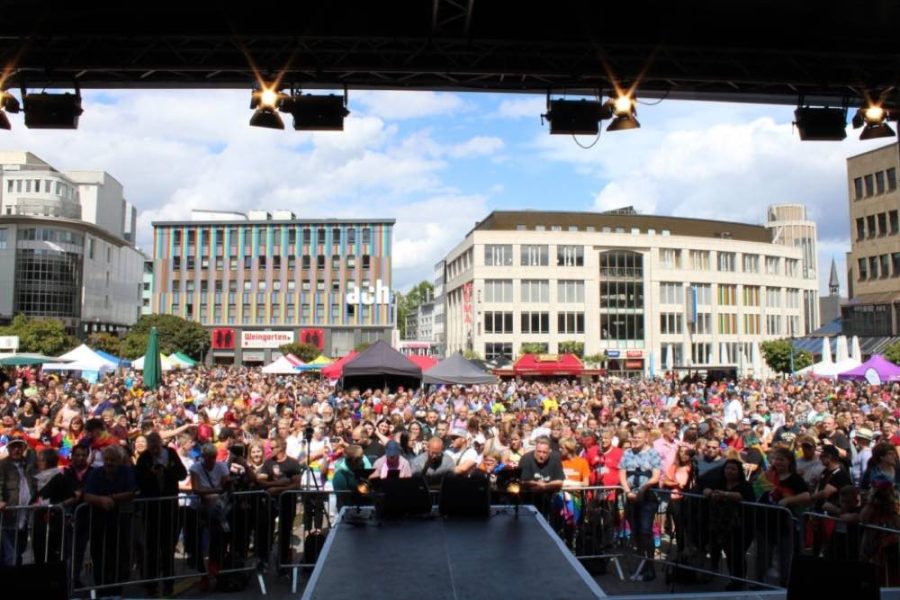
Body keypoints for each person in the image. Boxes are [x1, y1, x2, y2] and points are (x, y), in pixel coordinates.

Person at [135, 431, 187, 596]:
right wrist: (151, 473)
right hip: (151, 509)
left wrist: (167, 470)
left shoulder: (170, 453)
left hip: (169, 507)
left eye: (156, 447)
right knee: (151, 548)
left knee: (167, 548)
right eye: (151, 448)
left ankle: (168, 584)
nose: (154, 450)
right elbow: (138, 480)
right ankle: (151, 585)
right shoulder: (144, 458)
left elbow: (182, 473)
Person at [83, 445, 138, 595]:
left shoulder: (126, 472)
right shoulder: (96, 473)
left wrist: (112, 498)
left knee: (119, 555)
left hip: (120, 520)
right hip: (99, 519)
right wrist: (101, 500)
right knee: (99, 555)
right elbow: (87, 495)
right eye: (107, 460)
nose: (109, 463)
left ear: (119, 461)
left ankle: (116, 589)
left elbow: (131, 492)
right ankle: (101, 588)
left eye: (113, 460)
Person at [703, 458, 754, 590]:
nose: (729, 471)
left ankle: (739, 580)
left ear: (739, 471)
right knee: (719, 550)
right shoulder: (719, 482)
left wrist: (724, 494)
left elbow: (743, 496)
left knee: (736, 554)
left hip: (740, 526)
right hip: (720, 525)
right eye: (727, 468)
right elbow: (705, 487)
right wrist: (708, 492)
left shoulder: (745, 485)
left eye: (733, 469)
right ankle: (717, 572)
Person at [619, 426, 661, 581]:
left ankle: (650, 566)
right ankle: (641, 563)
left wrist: (642, 490)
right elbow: (622, 473)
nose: (635, 440)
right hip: (631, 496)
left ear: (646, 438)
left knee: (646, 532)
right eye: (633, 437)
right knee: (636, 532)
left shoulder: (653, 454)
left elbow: (655, 476)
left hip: (647, 497)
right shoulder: (627, 453)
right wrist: (627, 491)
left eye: (638, 437)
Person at [256, 436, 302, 571]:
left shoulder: (293, 463)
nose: (269, 450)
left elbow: (296, 484)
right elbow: (261, 480)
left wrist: (278, 489)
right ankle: (264, 558)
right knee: (266, 529)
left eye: (272, 447)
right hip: (271, 502)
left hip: (287, 501)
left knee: (285, 530)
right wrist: (278, 484)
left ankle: (283, 561)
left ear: (280, 448)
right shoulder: (268, 463)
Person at [189, 443, 233, 577]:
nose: (211, 460)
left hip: (218, 508)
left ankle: (216, 563)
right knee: (197, 539)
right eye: (208, 457)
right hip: (198, 507)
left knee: (219, 534)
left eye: (213, 457)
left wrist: (214, 492)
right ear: (203, 457)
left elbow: (227, 483)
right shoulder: (195, 468)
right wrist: (215, 491)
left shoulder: (222, 466)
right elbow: (196, 489)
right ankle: (202, 571)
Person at [0, 437, 36, 567]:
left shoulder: (28, 464)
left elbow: (35, 483)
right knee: (10, 556)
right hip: (8, 517)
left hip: (24, 516)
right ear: (8, 449)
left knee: (20, 552)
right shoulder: (2, 465)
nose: (16, 449)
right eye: (13, 446)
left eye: (19, 447)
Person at [520, 435, 565, 517]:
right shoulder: (526, 458)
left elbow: (559, 481)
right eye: (539, 451)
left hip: (549, 502)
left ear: (549, 451)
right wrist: (538, 484)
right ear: (535, 450)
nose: (541, 455)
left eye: (544, 452)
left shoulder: (555, 458)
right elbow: (523, 481)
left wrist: (544, 486)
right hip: (529, 501)